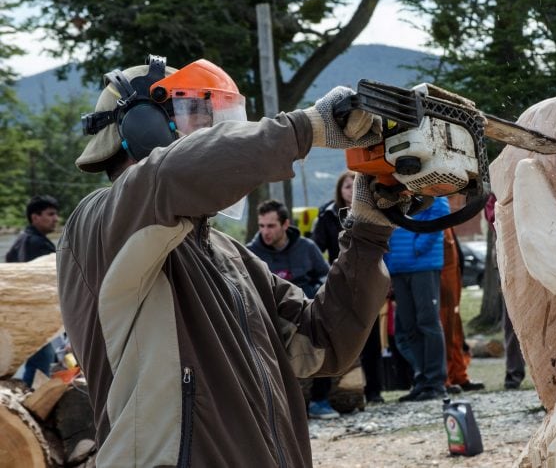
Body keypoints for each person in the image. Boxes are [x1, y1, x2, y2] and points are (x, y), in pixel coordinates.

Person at [56, 54, 401, 466]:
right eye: (197, 116)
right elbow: (170, 175)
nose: (216, 131)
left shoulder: (228, 255)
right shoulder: (96, 226)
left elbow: (323, 343)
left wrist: (367, 227)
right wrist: (307, 128)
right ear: (143, 127)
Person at [247, 199, 337, 419]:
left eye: (271, 226)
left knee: (322, 334)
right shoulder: (250, 253)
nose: (265, 232)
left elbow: (325, 276)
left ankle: (319, 400)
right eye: (262, 226)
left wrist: (316, 295)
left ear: (285, 224)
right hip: (269, 315)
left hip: (304, 309)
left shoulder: (306, 247)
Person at [312, 171, 384, 404]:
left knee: (371, 338)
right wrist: (326, 274)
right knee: (334, 336)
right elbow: (315, 249)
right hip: (339, 282)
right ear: (339, 190)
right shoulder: (327, 215)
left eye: (356, 186)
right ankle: (323, 394)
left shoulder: (372, 212)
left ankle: (374, 391)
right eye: (347, 186)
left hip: (366, 279)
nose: (351, 190)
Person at [385, 196, 450, 401]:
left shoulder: (430, 185)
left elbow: (440, 214)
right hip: (397, 266)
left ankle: (436, 381)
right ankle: (422, 378)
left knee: (428, 322)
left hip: (423, 264)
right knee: (409, 325)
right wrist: (387, 262)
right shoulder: (390, 189)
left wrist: (418, 247)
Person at [6, 195, 60, 386]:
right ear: (35, 217)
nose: (56, 218)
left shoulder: (20, 240)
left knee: (40, 362)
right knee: (41, 363)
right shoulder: (38, 244)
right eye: (50, 214)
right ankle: (32, 407)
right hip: (37, 317)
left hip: (19, 317)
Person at [484, 192, 526, 389]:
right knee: (511, 321)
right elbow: (493, 217)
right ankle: (513, 373)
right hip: (508, 262)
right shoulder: (496, 192)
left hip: (532, 256)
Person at [440, 227, 485, 394]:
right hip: (441, 269)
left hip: (451, 268)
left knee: (453, 326)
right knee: (445, 326)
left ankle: (458, 374)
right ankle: (447, 376)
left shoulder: (443, 213)